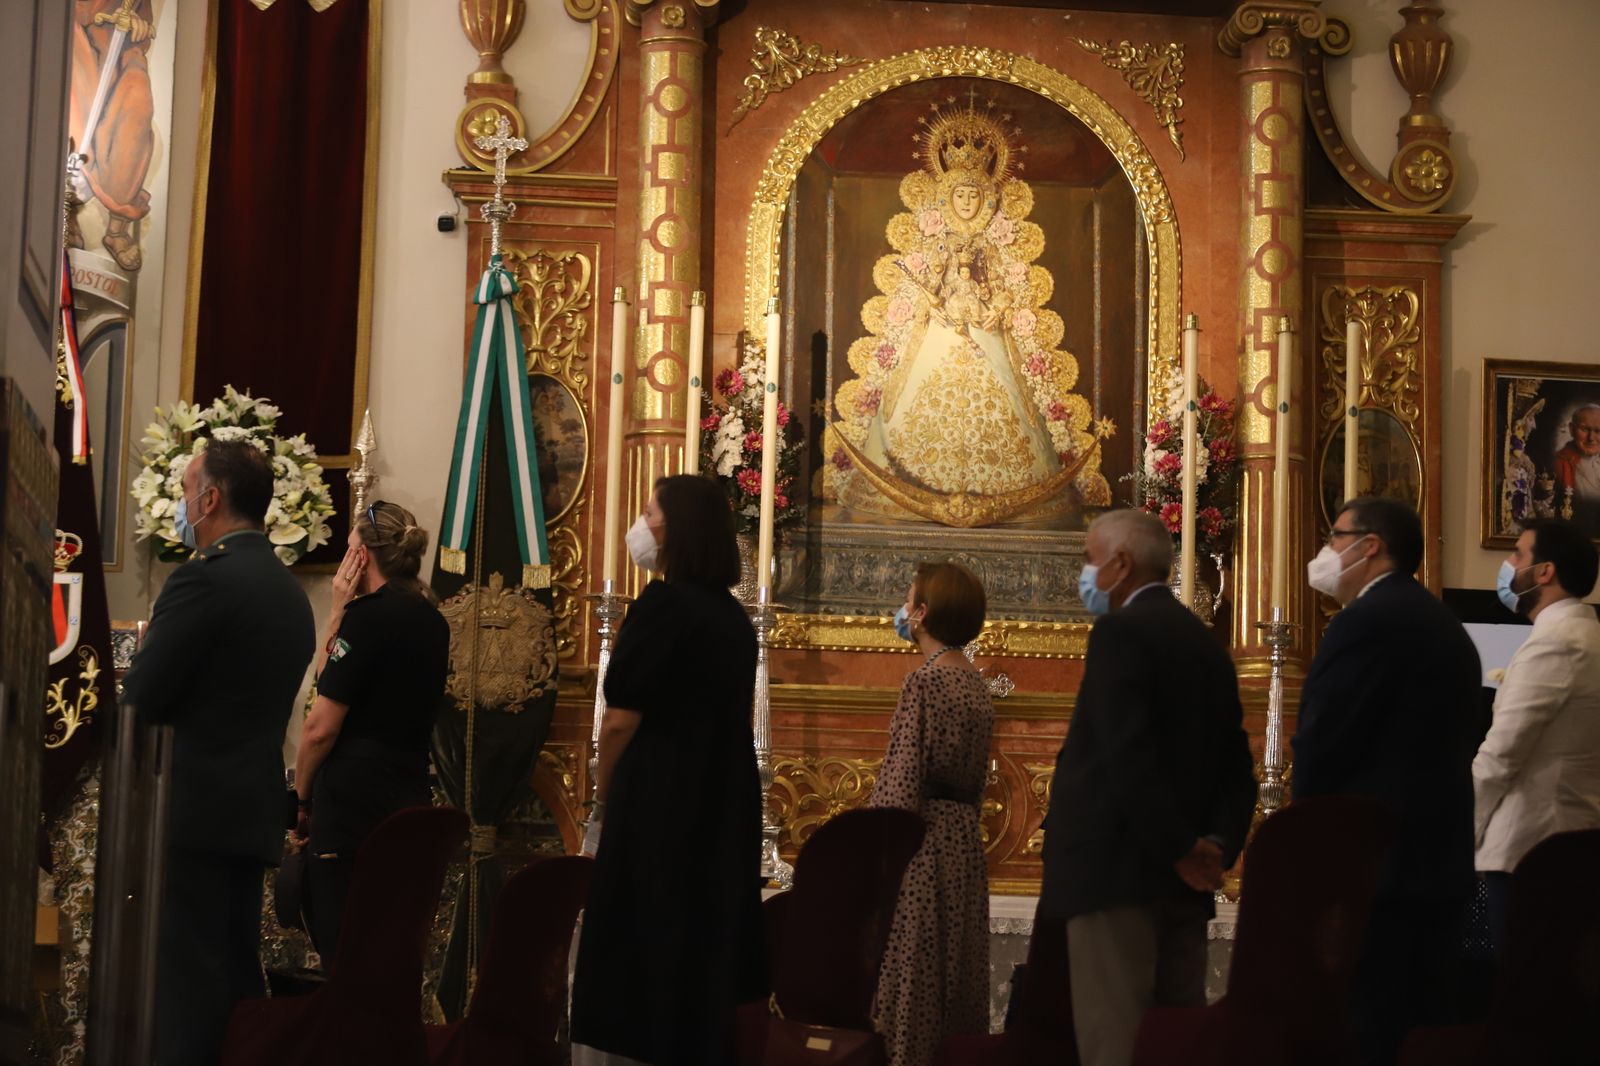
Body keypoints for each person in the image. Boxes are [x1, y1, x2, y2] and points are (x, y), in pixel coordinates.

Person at [121, 439, 316, 1066]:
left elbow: (141, 698)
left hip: (189, 816)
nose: (181, 507)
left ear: (209, 499)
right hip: (248, 814)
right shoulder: (289, 594)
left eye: (184, 493)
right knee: (234, 986)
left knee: (182, 1000)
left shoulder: (202, 581)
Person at [1039, 509, 1256, 1066]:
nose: (1086, 576)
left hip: (1117, 879)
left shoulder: (1120, 632)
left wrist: (1180, 849)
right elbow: (1237, 766)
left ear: (1122, 564)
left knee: (1116, 1044)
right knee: (1174, 1041)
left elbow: (1124, 756)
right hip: (1184, 887)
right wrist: (1215, 846)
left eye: (1090, 562)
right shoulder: (1207, 643)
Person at [570, 475, 765, 1066]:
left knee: (647, 950)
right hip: (723, 799)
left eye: (649, 511)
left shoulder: (663, 606)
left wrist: (602, 799)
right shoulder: (734, 619)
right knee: (702, 958)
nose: (641, 523)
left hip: (659, 802)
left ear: (673, 527)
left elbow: (620, 719)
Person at [1292, 497, 1481, 1066]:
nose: (1326, 550)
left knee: (1369, 1030)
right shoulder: (1442, 623)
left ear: (1369, 545)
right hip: (1438, 866)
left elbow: (1324, 739)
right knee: (1424, 1031)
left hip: (1378, 872)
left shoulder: (1366, 622)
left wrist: (1307, 842)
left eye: (1335, 536)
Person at [290, 501, 449, 962]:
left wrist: (300, 799)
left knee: (346, 951)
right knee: (392, 955)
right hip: (408, 799)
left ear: (362, 556)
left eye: (348, 550)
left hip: (353, 811)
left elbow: (319, 725)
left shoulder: (366, 618)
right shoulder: (434, 622)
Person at [870, 562, 994, 1066]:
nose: (902, 609)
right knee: (955, 975)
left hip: (920, 847)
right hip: (963, 842)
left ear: (920, 613)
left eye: (908, 599)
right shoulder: (976, 684)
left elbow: (901, 784)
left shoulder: (924, 683)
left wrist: (872, 851)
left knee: (913, 977)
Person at [1476, 518, 1600, 946]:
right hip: (1566, 846)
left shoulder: (1558, 641)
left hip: (1532, 851)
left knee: (1530, 995)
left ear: (1544, 571)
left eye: (1516, 555)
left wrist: (1459, 832)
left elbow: (1501, 755)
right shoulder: (1585, 634)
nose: (1508, 566)